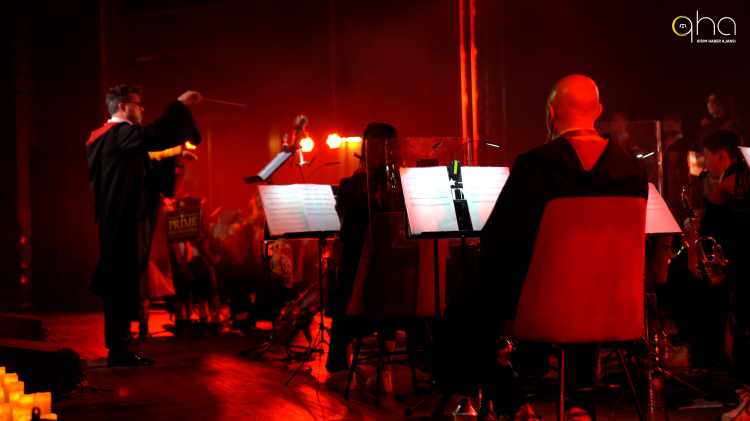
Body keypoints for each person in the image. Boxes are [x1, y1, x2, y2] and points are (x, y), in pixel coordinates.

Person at [442, 75, 648, 419]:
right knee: (582, 298)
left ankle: (509, 401)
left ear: (551, 114)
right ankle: (578, 404)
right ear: (598, 111)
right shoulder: (634, 167)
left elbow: (499, 245)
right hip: (616, 304)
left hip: (548, 304)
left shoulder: (536, 165)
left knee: (462, 311)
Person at [87, 85, 203, 366]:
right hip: (123, 220)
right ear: (124, 106)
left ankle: (121, 347)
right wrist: (180, 103)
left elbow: (140, 165)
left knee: (121, 283)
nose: (142, 109)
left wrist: (173, 161)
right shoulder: (118, 133)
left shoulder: (105, 137)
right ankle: (120, 349)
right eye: (138, 104)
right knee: (120, 284)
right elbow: (153, 135)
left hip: (118, 218)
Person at [662, 130, 750, 420]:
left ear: (721, 156)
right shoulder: (741, 182)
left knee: (675, 277)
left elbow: (709, 238)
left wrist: (694, 228)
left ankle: (697, 349)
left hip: (730, 270)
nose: (705, 165)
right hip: (738, 263)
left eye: (706, 158)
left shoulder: (723, 189)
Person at [324, 123, 404, 393]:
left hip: (366, 272)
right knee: (384, 286)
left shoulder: (352, 186)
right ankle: (381, 371)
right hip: (396, 274)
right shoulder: (403, 182)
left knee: (343, 292)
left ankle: (343, 369)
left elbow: (345, 236)